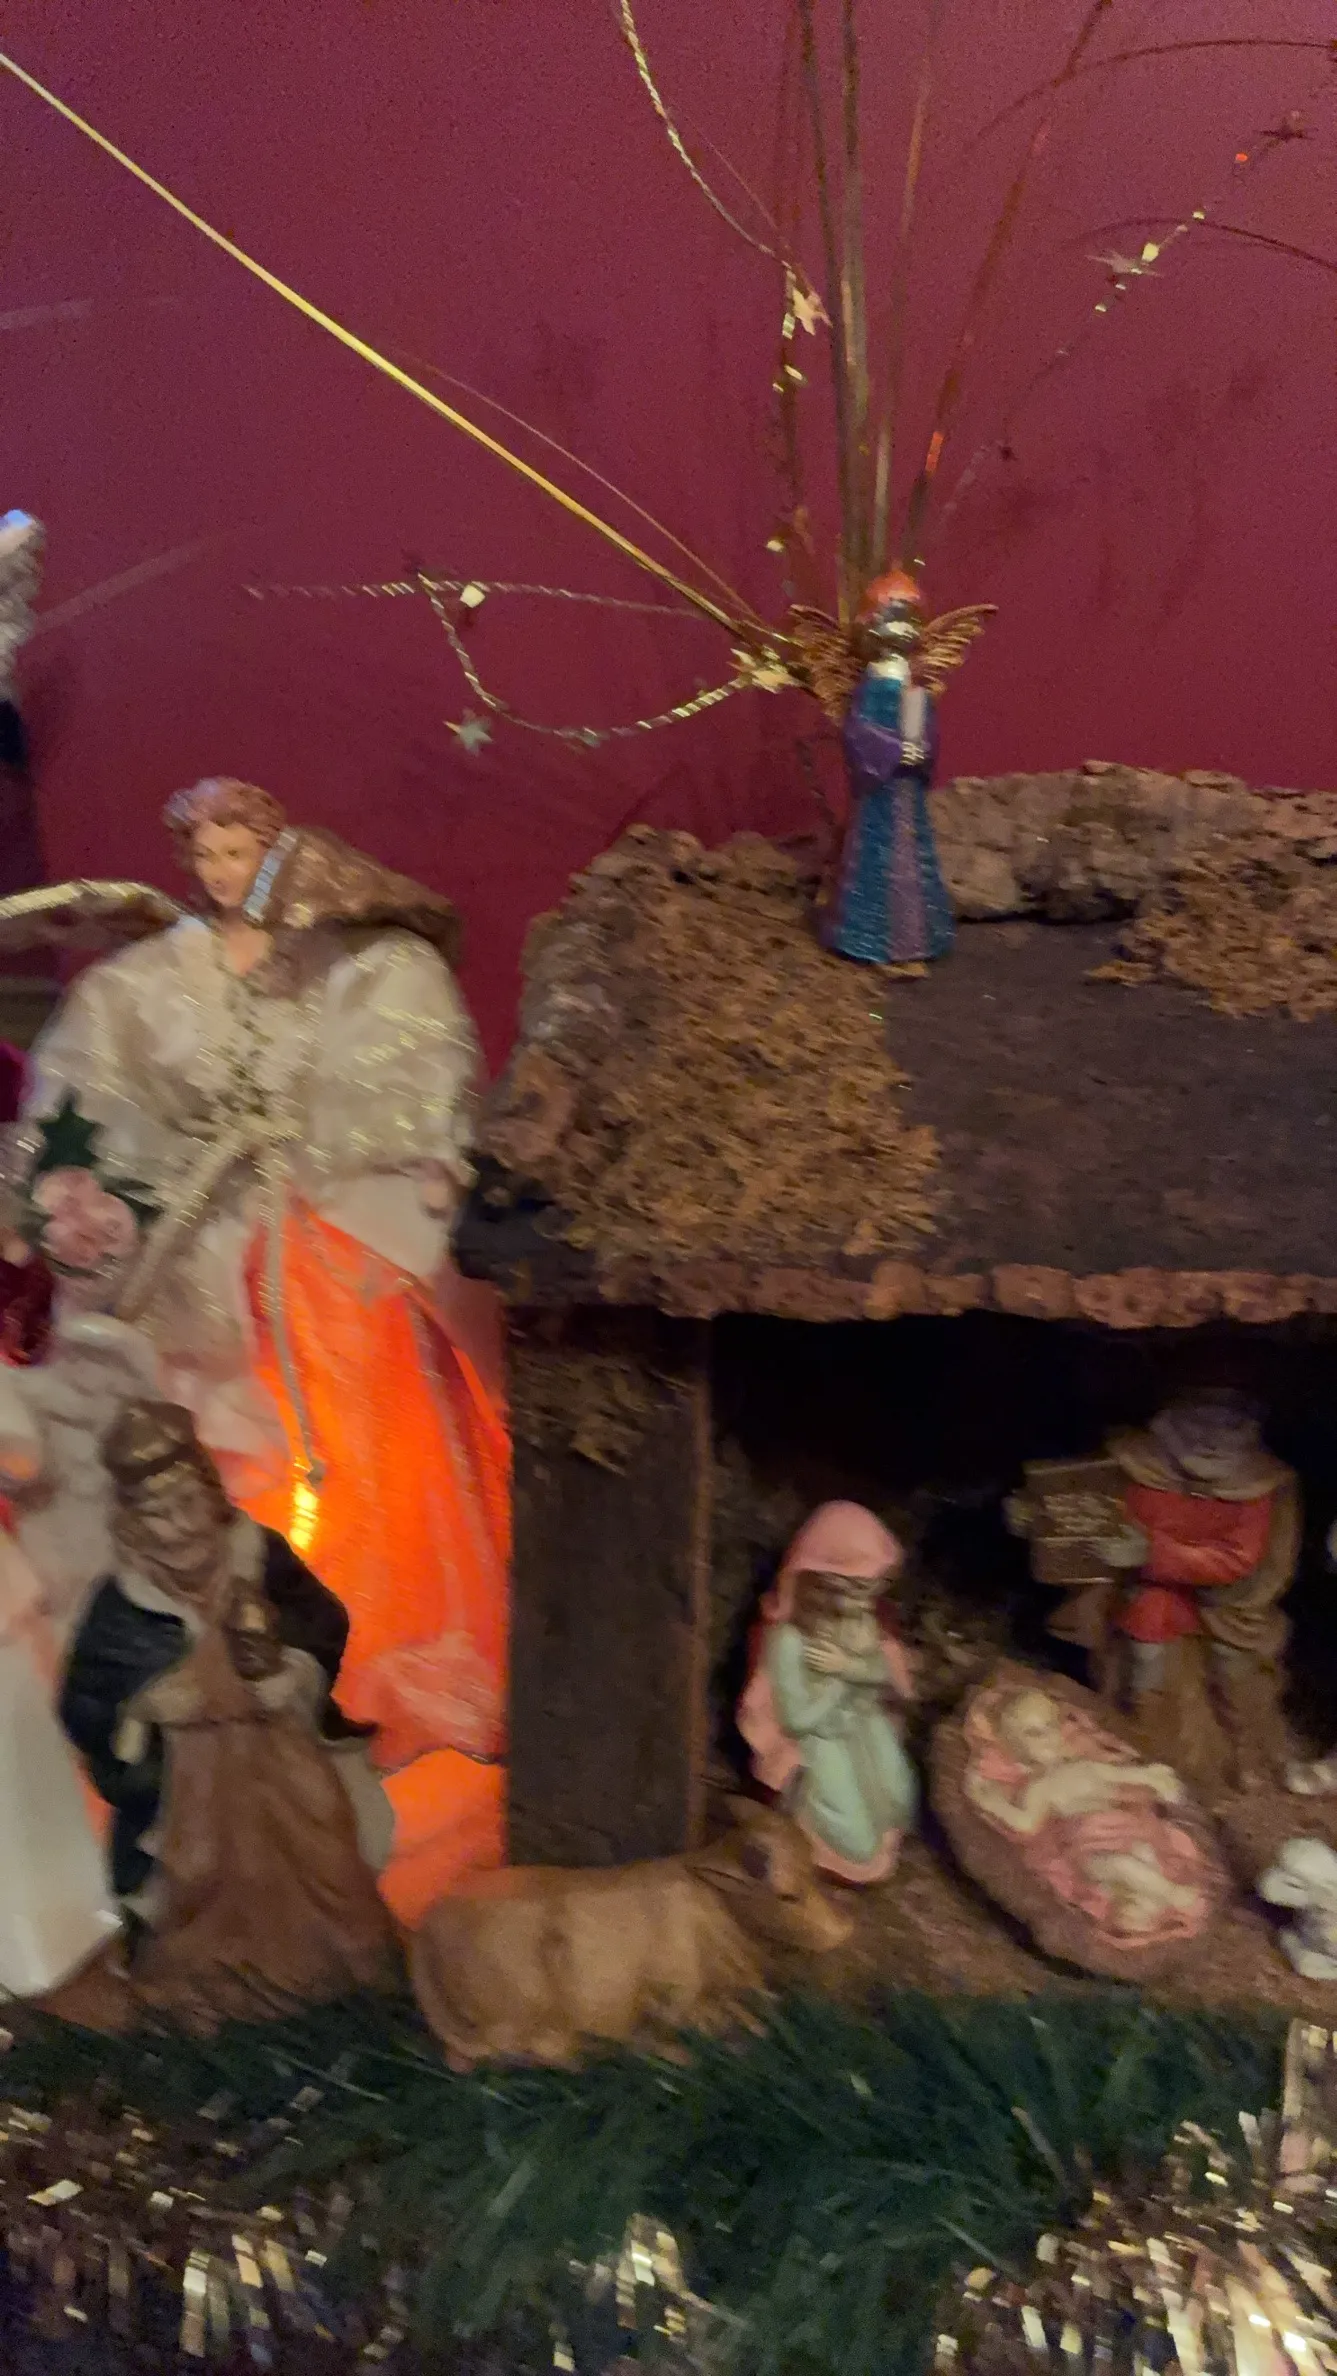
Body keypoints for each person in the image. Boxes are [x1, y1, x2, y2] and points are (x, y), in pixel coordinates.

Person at [1, 779, 510, 1917]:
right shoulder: (142, 981)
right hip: (197, 1255)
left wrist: (361, 1152)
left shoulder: (360, 962)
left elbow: (414, 1063)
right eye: (207, 853)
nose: (223, 872)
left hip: (323, 1253)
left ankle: (364, 1640)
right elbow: (89, 1090)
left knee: (364, 1451)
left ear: (278, 849)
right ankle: (194, 1652)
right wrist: (105, 1184)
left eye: (241, 851)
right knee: (209, 1446)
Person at [59, 1397, 396, 2027]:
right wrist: (143, 1708)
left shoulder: (259, 1555)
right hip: (193, 1788)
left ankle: (337, 1978)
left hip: (283, 1753)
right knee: (198, 1877)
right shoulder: (121, 1604)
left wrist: (294, 1672)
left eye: (189, 1504)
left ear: (211, 1494)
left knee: (324, 1851)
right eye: (158, 1514)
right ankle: (210, 1992)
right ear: (132, 1523)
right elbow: (84, 1700)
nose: (180, 1527)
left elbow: (323, 1619)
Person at [1096, 1390, 1299, 1790]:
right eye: (1198, 1422)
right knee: (1143, 1651)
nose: (1210, 1440)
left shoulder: (1259, 1484)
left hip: (1227, 1599)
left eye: (1228, 1425)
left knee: (1232, 1666)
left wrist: (1154, 1551)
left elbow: (1238, 1559)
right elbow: (1085, 1515)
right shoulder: (1133, 1464)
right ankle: (1143, 1737)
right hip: (1155, 1589)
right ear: (1167, 1421)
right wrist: (1040, 1519)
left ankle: (1245, 1750)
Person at [737, 1501, 918, 1883]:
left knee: (898, 1799)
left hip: (860, 1726)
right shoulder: (788, 1640)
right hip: (815, 1740)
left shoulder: (862, 1623)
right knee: (857, 1840)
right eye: (855, 1588)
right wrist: (841, 1682)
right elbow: (797, 1718)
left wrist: (854, 1671)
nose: (864, 1602)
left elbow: (883, 1677)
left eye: (870, 1588)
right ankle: (815, 1830)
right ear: (819, 1583)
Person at [964, 1683, 1209, 1948]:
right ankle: (1173, 1895)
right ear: (1013, 1746)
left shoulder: (1086, 1766)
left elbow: (1127, 1775)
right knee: (1121, 1866)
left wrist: (1155, 1778)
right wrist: (993, 1802)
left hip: (1125, 1831)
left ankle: (1142, 1906)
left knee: (1145, 1857)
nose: (1048, 1737)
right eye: (1034, 1733)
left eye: (1051, 1726)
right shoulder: (1040, 1787)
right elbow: (1025, 1824)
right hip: (1091, 1849)